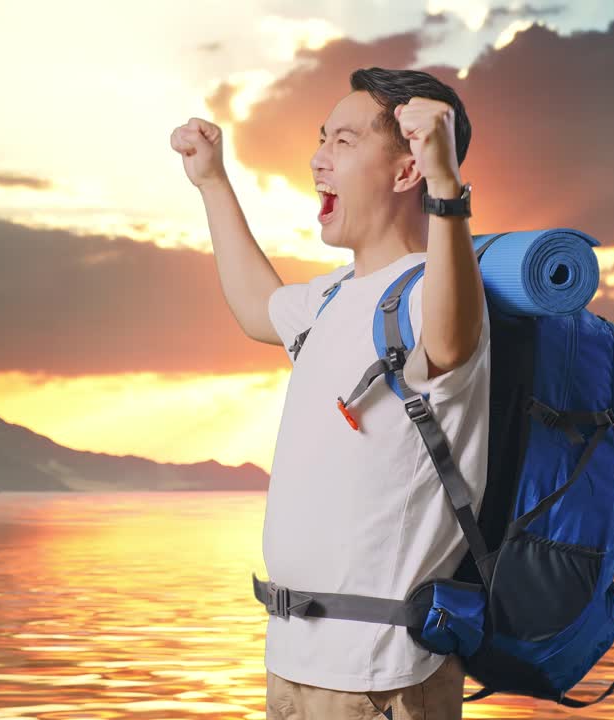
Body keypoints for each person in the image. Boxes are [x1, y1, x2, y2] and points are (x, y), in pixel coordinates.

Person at [172, 66, 490, 720]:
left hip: (377, 678)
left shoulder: (432, 295)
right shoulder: (333, 297)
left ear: (405, 171)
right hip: (294, 664)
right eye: (321, 140)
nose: (317, 159)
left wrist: (445, 186)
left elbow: (453, 339)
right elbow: (260, 307)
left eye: (342, 143)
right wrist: (211, 181)